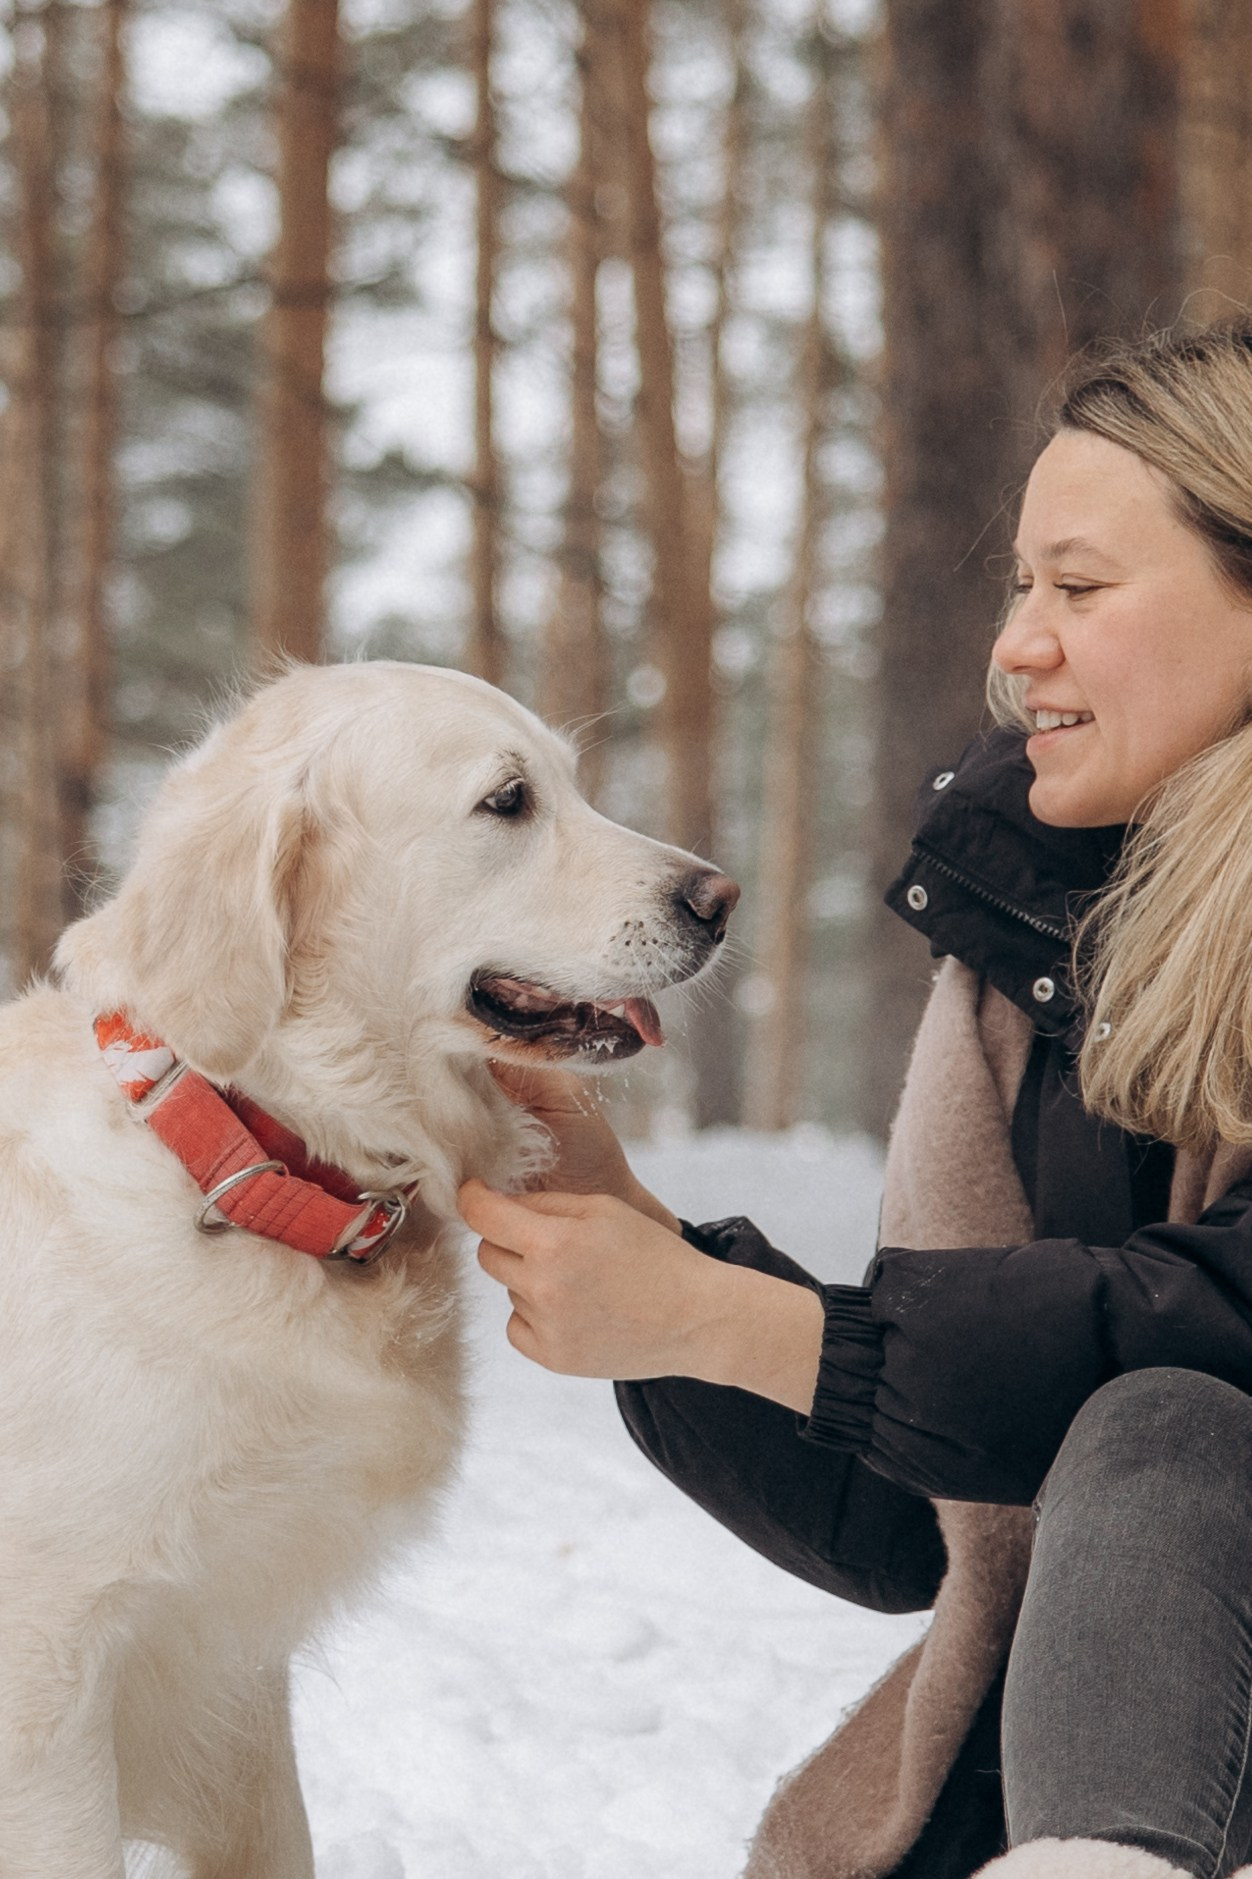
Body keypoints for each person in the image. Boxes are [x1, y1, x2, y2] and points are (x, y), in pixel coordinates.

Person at [459, 319, 1252, 1879]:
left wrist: (730, 1322)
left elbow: (1217, 1325)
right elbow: (924, 1514)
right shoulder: (1044, 942)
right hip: (1151, 1760)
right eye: (1021, 585)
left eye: (1079, 588)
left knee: (1168, 1426)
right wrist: (651, 1262)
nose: (1016, 644)